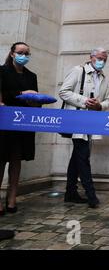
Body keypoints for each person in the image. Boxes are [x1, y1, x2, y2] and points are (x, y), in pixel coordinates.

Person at [59, 48, 109, 208]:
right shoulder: (78, 71)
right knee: (83, 156)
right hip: (77, 121)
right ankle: (91, 195)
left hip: (92, 122)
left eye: (104, 58)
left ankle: (70, 192)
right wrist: (84, 101)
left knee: (77, 157)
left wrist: (99, 105)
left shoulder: (104, 78)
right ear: (91, 57)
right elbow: (64, 92)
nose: (102, 61)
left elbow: (108, 101)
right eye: (99, 58)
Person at [0, 42, 39, 215]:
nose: (24, 55)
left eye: (27, 53)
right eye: (21, 52)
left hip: (23, 123)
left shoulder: (32, 76)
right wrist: (22, 94)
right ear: (13, 53)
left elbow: (36, 100)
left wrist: (34, 100)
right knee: (1, 159)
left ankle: (12, 197)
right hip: (5, 121)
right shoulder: (2, 71)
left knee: (16, 160)